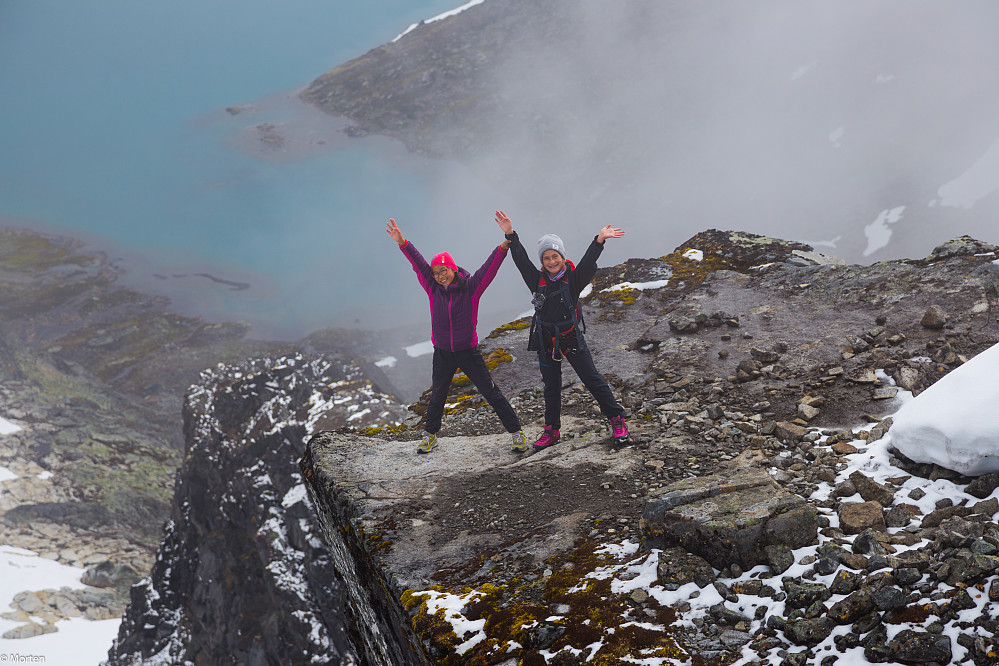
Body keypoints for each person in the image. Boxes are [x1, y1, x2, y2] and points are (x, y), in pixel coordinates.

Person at [386, 218, 528, 454]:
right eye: (436, 273)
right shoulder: (432, 288)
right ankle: (430, 436)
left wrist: (504, 245)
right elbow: (418, 264)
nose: (441, 276)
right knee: (438, 395)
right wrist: (403, 243)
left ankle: (517, 433)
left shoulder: (471, 287)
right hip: (443, 353)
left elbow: (489, 268)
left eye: (444, 270)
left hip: (468, 353)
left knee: (490, 392)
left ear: (453, 268)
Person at [494, 210, 629, 451]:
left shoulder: (573, 280)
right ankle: (552, 431)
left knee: (593, 380)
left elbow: (588, 263)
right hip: (546, 341)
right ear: (542, 262)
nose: (551, 261)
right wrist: (510, 234)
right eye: (546, 258)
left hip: (571, 338)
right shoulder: (536, 281)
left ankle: (617, 421)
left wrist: (599, 240)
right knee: (551, 387)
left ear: (562, 256)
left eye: (555, 256)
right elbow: (521, 259)